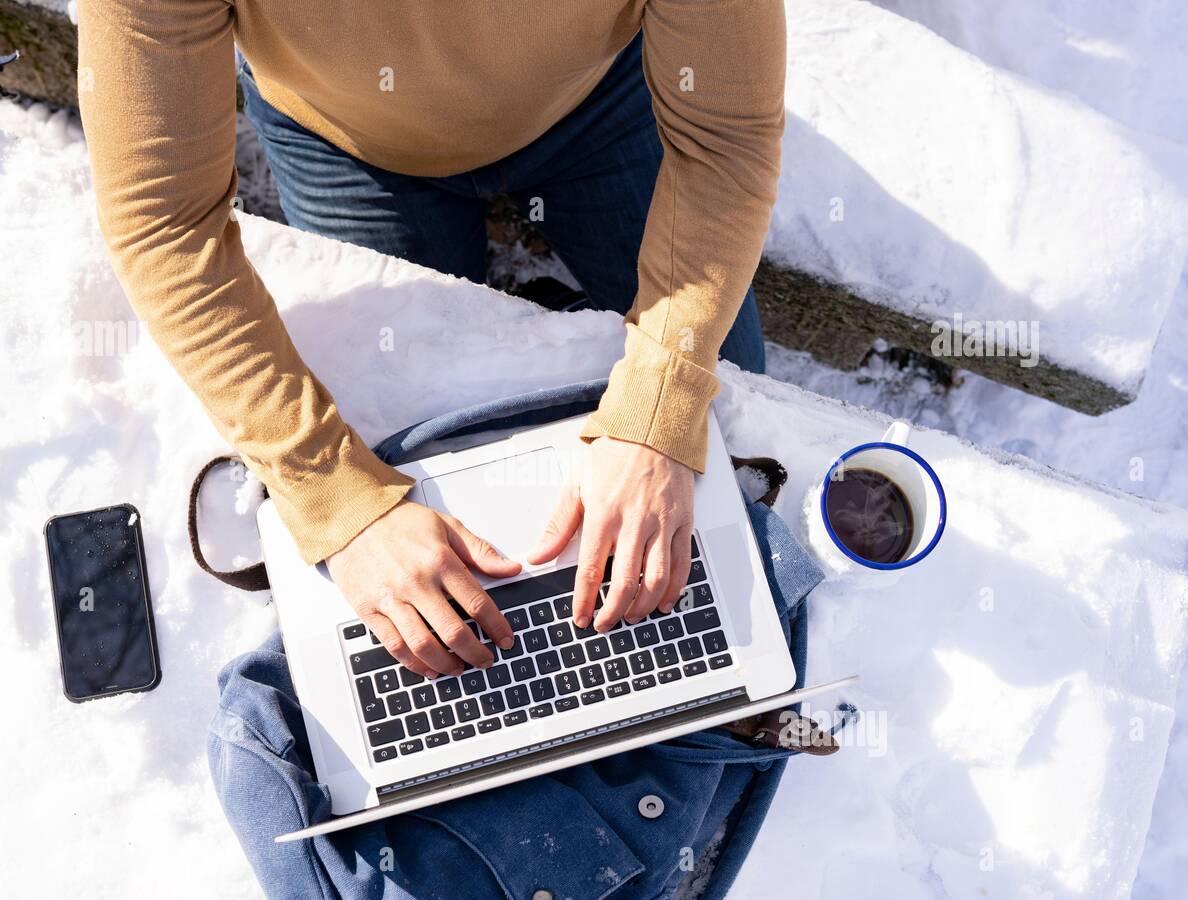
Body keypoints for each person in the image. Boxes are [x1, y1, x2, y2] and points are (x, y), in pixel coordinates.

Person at [77, 0, 785, 678]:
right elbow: (162, 222)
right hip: (350, 139)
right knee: (404, 452)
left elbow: (725, 143)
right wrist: (336, 499)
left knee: (733, 426)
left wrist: (658, 410)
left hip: (600, 101)